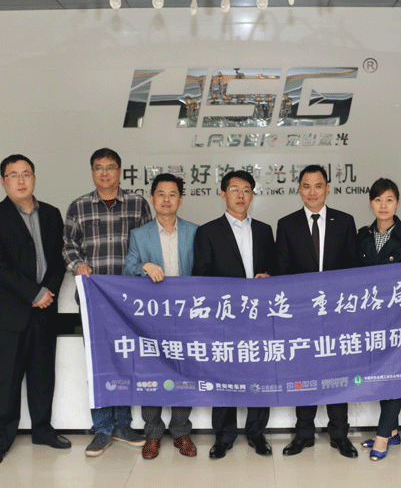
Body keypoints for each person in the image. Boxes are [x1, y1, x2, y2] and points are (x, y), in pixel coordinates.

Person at [0, 155, 70, 466]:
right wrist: (33, 293)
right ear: (3, 181)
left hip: (45, 309)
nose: (21, 180)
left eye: (26, 174)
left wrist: (48, 292)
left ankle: (42, 430)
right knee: (5, 380)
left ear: (34, 177)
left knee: (43, 376)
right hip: (8, 313)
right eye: (13, 175)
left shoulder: (52, 214)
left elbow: (59, 260)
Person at [63, 147, 151, 457]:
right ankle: (101, 428)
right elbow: (68, 247)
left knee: (126, 360)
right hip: (94, 299)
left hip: (128, 299)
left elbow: (146, 244)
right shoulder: (79, 207)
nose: (104, 173)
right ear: (92, 172)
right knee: (98, 363)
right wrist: (78, 265)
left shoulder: (138, 204)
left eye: (110, 167)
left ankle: (123, 425)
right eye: (98, 167)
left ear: (120, 171)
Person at [276, 164, 359, 459]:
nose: (313, 192)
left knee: (338, 373)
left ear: (328, 188)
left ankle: (340, 434)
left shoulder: (345, 222)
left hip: (336, 315)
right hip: (302, 316)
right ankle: (303, 434)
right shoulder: (287, 224)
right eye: (307, 186)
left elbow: (353, 269)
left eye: (318, 185)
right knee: (304, 374)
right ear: (299, 189)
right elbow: (282, 272)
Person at [192, 170, 276, 459]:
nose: (241, 195)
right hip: (223, 318)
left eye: (246, 190)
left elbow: (275, 270)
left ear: (252, 195)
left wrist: (269, 277)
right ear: (223, 194)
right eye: (234, 189)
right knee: (223, 375)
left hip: (258, 317)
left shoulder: (264, 231)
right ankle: (224, 436)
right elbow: (201, 276)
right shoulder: (207, 232)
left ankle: (256, 433)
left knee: (259, 375)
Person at [123, 173, 198, 459]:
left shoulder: (195, 232)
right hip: (151, 319)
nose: (167, 199)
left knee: (183, 373)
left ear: (181, 199)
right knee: (151, 374)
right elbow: (128, 268)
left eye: (172, 194)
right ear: (152, 199)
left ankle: (181, 431)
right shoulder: (139, 235)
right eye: (161, 194)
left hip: (186, 317)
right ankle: (152, 434)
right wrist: (144, 266)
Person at [357, 178, 401, 460]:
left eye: (389, 200)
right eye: (377, 200)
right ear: (370, 203)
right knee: (379, 375)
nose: (383, 206)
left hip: (399, 320)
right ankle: (393, 431)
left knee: (394, 376)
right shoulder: (361, 236)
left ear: (397, 203)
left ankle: (382, 437)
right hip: (369, 319)